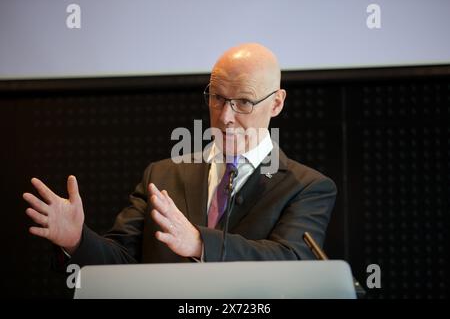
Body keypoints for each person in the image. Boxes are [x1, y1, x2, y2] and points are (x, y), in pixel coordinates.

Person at [22, 43, 337, 266]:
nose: (226, 116)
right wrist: (78, 240)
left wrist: (200, 243)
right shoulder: (161, 176)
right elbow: (121, 261)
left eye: (244, 102)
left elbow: (294, 261)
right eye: (217, 98)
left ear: (277, 103)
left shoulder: (306, 186)